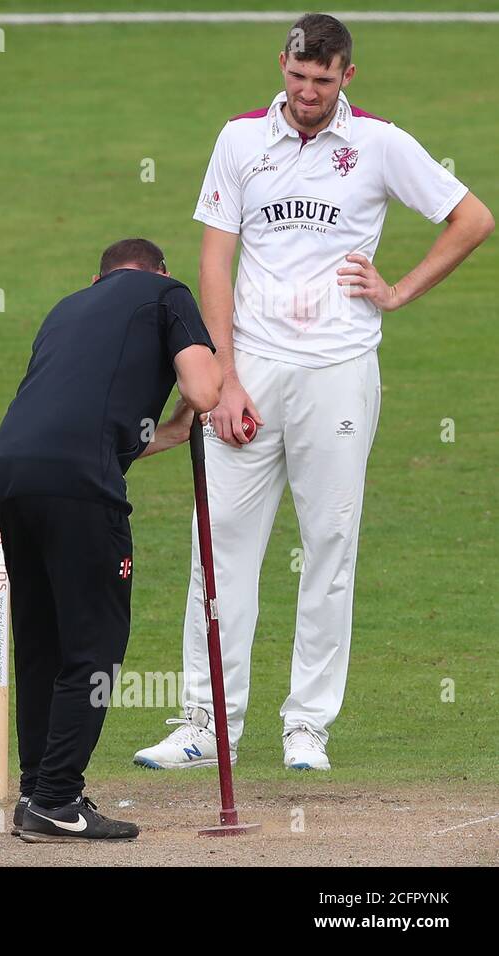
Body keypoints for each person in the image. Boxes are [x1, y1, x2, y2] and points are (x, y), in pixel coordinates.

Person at [134, 14, 494, 773]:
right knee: (218, 546)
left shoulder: (380, 144)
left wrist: (397, 291)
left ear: (347, 78)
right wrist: (222, 380)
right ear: (283, 64)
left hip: (339, 370)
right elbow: (214, 262)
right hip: (251, 371)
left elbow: (472, 218)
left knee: (329, 546)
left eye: (322, 82)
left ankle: (307, 726)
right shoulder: (239, 139)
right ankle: (206, 722)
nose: (306, 93)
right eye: (297, 77)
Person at [0, 239, 222, 842]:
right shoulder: (170, 294)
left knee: (41, 638)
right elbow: (202, 390)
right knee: (92, 645)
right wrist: (204, 396)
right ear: (160, 273)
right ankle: (58, 799)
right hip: (79, 487)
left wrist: (170, 432)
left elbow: (93, 416)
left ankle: (37, 790)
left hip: (14, 472)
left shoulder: (67, 308)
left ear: (99, 280)